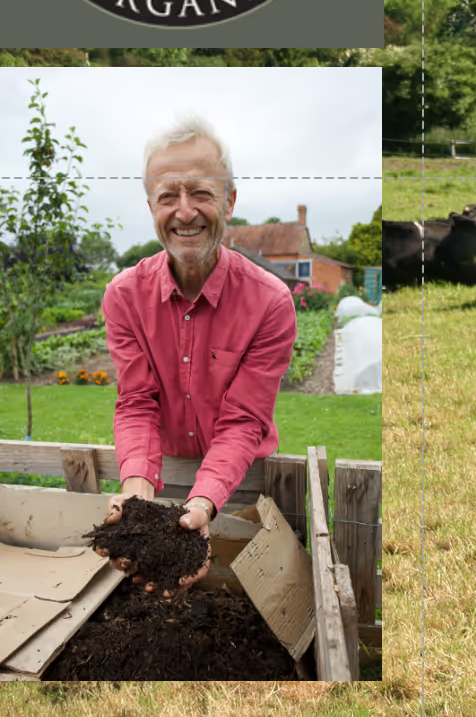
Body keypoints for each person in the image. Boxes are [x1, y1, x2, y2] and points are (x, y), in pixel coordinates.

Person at [96, 113, 296, 596]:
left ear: (229, 200)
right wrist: (139, 493)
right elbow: (138, 401)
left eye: (201, 192)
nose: (185, 211)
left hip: (245, 482)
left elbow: (244, 420)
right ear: (151, 207)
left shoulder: (269, 302)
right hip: (160, 471)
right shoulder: (124, 296)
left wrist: (203, 503)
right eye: (168, 196)